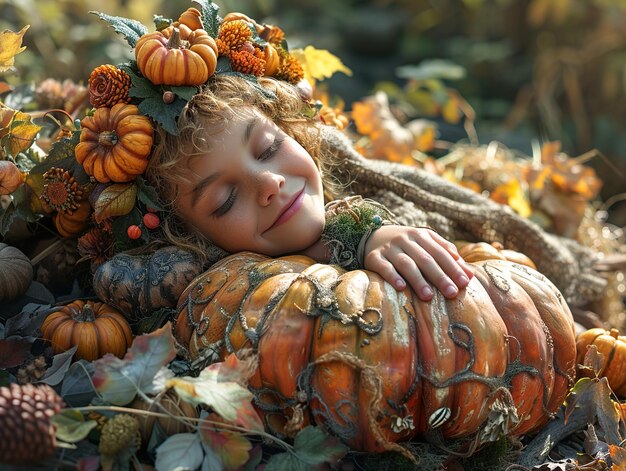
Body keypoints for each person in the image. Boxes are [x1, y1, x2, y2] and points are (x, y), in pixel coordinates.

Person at [145, 74, 475, 302]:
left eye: (269, 149)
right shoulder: (206, 295)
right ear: (186, 236)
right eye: (225, 199)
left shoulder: (378, 198)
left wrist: (371, 232)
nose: (270, 183)